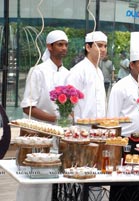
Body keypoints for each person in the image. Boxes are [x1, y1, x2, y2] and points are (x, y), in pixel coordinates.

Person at [18, 30, 69, 201]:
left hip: (59, 136)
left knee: (55, 181)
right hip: (38, 137)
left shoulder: (67, 73)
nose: (64, 48)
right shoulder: (38, 71)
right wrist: (55, 119)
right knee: (35, 181)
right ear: (49, 46)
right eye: (59, 44)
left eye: (65, 45)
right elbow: (28, 107)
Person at [108, 31, 139, 201]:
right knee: (122, 186)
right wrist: (115, 148)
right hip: (125, 143)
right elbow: (112, 120)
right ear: (131, 65)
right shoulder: (121, 87)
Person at [66, 31, 107, 120]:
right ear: (88, 47)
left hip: (99, 128)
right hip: (82, 128)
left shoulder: (99, 72)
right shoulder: (78, 70)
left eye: (105, 46)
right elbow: (69, 105)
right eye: (99, 45)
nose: (103, 49)